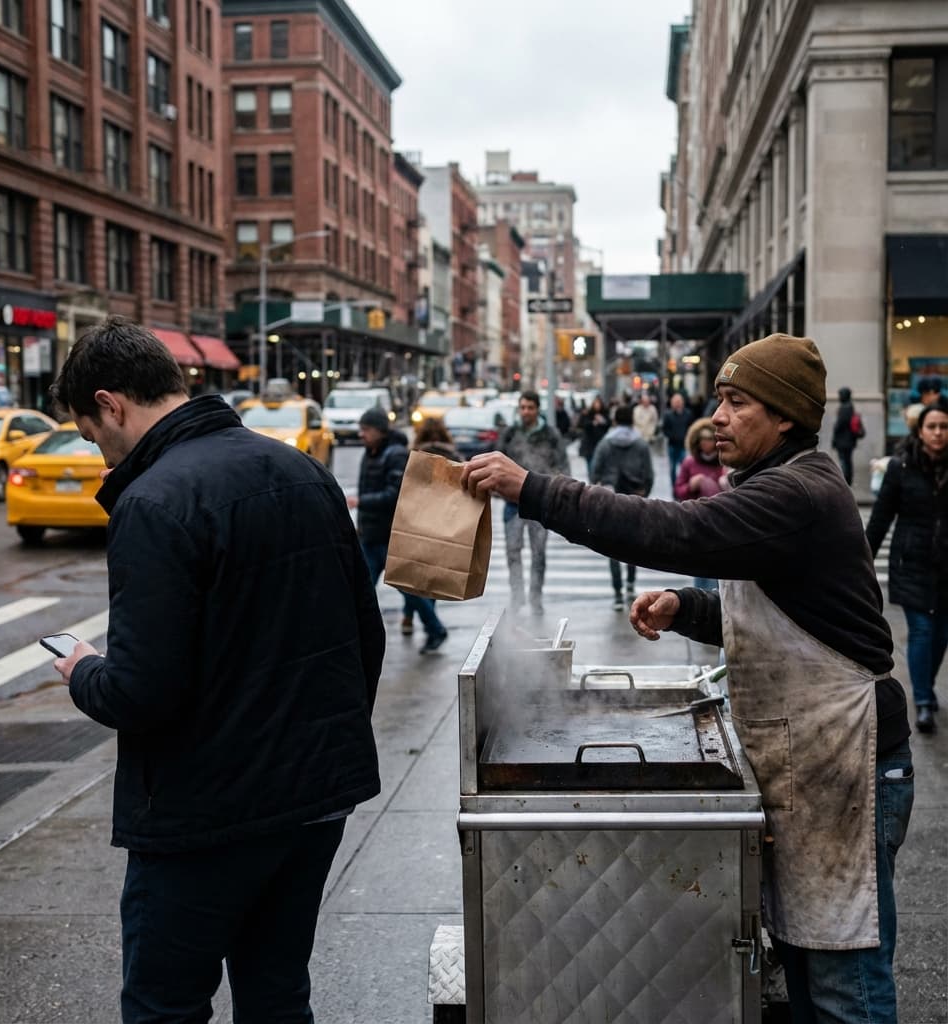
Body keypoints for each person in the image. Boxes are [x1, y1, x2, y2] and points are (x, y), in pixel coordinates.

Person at [462, 333, 913, 1024]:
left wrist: (534, 489)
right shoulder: (777, 485)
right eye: (719, 401)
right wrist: (687, 608)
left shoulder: (798, 493)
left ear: (786, 416)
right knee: (807, 963)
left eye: (737, 402)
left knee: (844, 983)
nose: (719, 416)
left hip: (846, 758)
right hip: (810, 761)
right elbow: (791, 614)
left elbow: (672, 531)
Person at [46, 318, 384, 1023]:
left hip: (205, 813)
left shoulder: (152, 502)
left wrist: (82, 670)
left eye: (91, 433)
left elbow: (141, 691)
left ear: (111, 404)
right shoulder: (302, 469)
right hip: (316, 798)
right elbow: (365, 637)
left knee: (164, 1003)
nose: (102, 455)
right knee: (278, 994)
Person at [866, 399, 948, 735]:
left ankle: (925, 685)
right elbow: (881, 518)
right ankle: (924, 700)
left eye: (944, 427)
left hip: (946, 567)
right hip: (911, 562)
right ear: (920, 430)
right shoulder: (901, 468)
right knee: (922, 631)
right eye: (932, 427)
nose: (939, 433)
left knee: (941, 634)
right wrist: (862, 562)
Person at [497, 390, 571, 616]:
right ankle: (517, 596)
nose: (526, 412)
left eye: (530, 407)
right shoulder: (510, 434)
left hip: (540, 503)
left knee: (538, 553)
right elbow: (498, 460)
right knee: (512, 551)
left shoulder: (550, 434)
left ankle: (535, 598)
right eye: (523, 407)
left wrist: (559, 490)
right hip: (513, 504)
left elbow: (562, 465)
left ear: (538, 409)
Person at [403, 417, 461, 654]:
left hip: (417, 524)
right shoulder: (453, 456)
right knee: (429, 580)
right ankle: (419, 619)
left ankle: (425, 624)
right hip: (443, 525)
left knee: (411, 578)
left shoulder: (417, 457)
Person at [590, 403, 654, 610]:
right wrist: (645, 493)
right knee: (632, 545)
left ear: (615, 420)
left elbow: (594, 471)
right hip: (634, 499)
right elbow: (649, 474)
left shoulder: (605, 443)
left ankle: (617, 592)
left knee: (612, 547)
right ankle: (630, 585)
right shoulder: (641, 444)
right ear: (632, 421)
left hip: (610, 499)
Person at [346, 405, 409, 589]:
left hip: (389, 537)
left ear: (380, 431)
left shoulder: (396, 454)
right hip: (370, 536)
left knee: (412, 595)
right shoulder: (371, 451)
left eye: (366, 429)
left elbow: (395, 495)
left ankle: (429, 619)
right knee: (362, 593)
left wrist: (361, 502)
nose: (361, 434)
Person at [673, 417, 729, 591]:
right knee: (699, 565)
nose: (706, 444)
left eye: (710, 440)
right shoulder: (690, 462)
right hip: (697, 520)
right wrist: (691, 485)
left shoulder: (725, 462)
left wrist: (724, 482)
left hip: (720, 521)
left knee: (715, 567)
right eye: (703, 440)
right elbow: (679, 490)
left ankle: (713, 599)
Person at [661, 392, 693, 491]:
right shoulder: (668, 414)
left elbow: (691, 427)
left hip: (683, 445)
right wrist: (672, 436)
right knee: (672, 468)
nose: (678, 403)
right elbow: (664, 429)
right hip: (672, 445)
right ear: (672, 403)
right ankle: (674, 487)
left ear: (682, 403)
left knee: (684, 467)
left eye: (679, 401)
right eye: (675, 402)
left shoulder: (688, 414)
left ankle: (681, 486)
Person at [831, 386, 861, 484]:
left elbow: (839, 425)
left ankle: (846, 480)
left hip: (843, 440)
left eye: (840, 395)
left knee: (844, 460)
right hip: (849, 440)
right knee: (848, 460)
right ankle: (849, 479)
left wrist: (834, 438)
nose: (839, 397)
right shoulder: (850, 406)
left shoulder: (845, 408)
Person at [576, 394, 610, 479]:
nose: (597, 405)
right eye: (595, 403)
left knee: (599, 467)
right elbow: (581, 424)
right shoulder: (588, 414)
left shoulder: (605, 414)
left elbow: (608, 425)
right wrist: (592, 423)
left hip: (600, 443)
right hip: (589, 445)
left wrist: (602, 421)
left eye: (598, 403)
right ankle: (592, 483)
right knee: (591, 467)